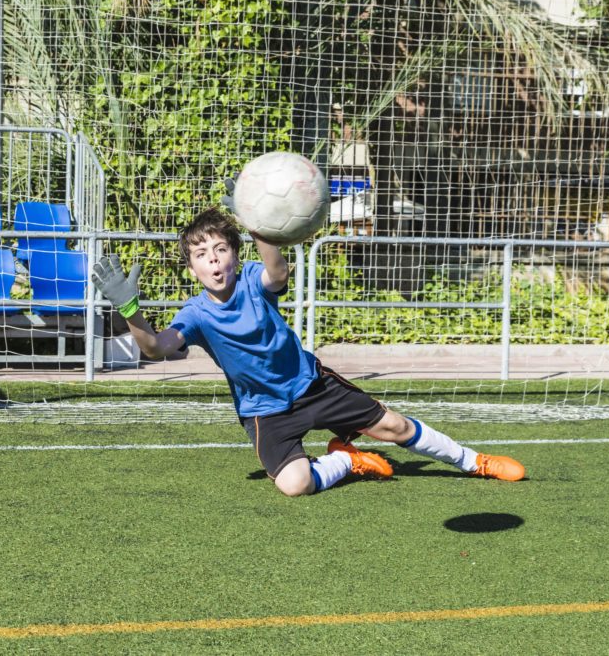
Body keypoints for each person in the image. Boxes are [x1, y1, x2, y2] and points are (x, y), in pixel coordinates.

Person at [91, 205, 525, 497]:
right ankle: (345, 460)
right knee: (294, 484)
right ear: (191, 268)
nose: (214, 260)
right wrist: (130, 310)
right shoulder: (196, 314)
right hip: (265, 411)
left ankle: (474, 461)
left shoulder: (252, 280)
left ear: (236, 256)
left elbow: (279, 272)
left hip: (312, 385)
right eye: (202, 254)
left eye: (221, 249)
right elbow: (156, 348)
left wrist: (261, 225)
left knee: (392, 427)